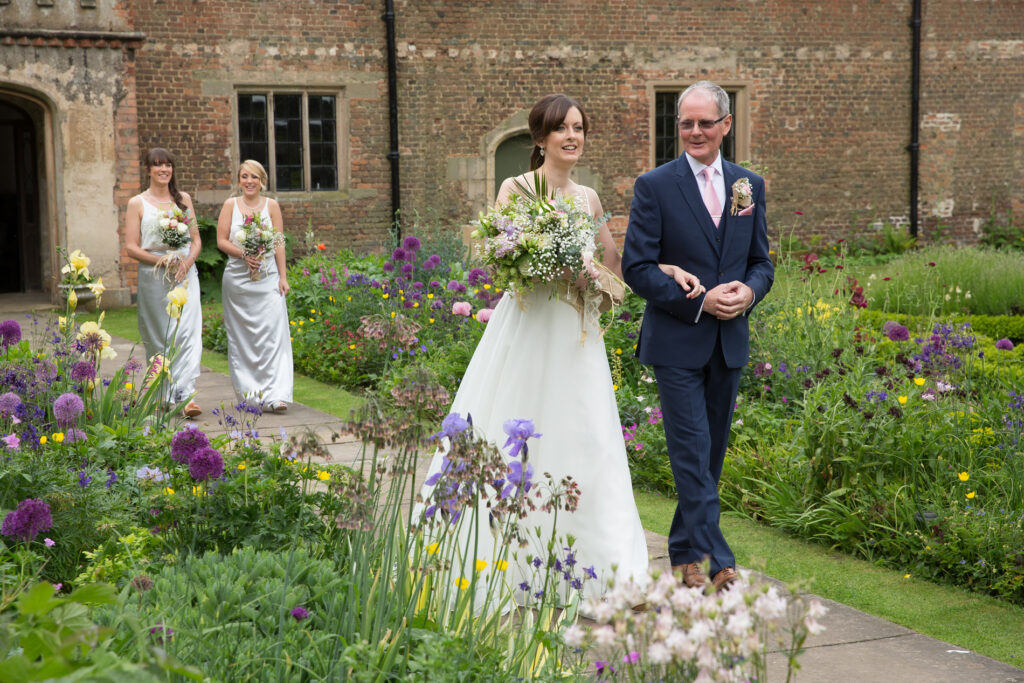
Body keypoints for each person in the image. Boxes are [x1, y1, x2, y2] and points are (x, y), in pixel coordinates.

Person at [418, 94, 703, 607]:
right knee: (515, 429)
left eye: (579, 127)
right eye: (561, 129)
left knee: (589, 438)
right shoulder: (517, 188)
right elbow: (500, 257)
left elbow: (619, 266)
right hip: (528, 330)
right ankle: (508, 562)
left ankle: (611, 572)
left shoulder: (590, 199)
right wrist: (550, 261)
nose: (572, 136)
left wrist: (666, 270)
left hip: (577, 339)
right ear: (541, 138)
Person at [622, 81, 774, 592]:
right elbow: (637, 268)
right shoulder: (655, 186)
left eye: (704, 122)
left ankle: (685, 555)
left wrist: (748, 295)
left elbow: (761, 264)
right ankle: (719, 561)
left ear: (725, 126)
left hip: (728, 342)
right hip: (676, 341)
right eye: (685, 122)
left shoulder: (747, 185)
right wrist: (699, 300)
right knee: (690, 452)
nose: (693, 132)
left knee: (709, 458)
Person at [124, 148, 204, 417]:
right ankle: (162, 391)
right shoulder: (137, 203)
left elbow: (196, 239)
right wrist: (161, 261)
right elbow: (131, 248)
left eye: (168, 165)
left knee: (187, 333)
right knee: (159, 336)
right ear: (147, 170)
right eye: (157, 165)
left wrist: (187, 262)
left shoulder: (183, 200)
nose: (164, 170)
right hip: (154, 275)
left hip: (184, 274)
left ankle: (186, 394)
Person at [215, 159, 293, 413]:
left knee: (273, 334)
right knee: (242, 339)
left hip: (268, 278)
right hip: (238, 282)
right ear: (239, 180)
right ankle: (250, 395)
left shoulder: (272, 206)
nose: (249, 182)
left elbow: (278, 241)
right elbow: (221, 241)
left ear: (262, 181)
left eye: (255, 177)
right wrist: (242, 254)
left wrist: (283, 276)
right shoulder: (230, 205)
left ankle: (277, 394)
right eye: (245, 176)